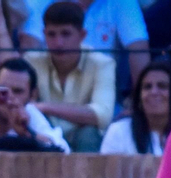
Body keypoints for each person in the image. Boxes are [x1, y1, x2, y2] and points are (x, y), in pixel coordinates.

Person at [26, 1, 114, 151]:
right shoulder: (31, 61)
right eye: (51, 35)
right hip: (43, 134)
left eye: (65, 34)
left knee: (88, 134)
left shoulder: (102, 63)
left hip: (82, 138)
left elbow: (103, 115)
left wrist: (45, 107)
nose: (58, 43)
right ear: (43, 35)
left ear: (82, 35)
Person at [19, 0, 148, 89]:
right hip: (47, 85)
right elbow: (30, 46)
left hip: (100, 84)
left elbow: (139, 48)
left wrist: (137, 102)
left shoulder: (123, 2)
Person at [100, 59, 171, 154]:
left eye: (162, 86)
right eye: (147, 87)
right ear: (139, 97)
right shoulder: (119, 131)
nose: (153, 92)